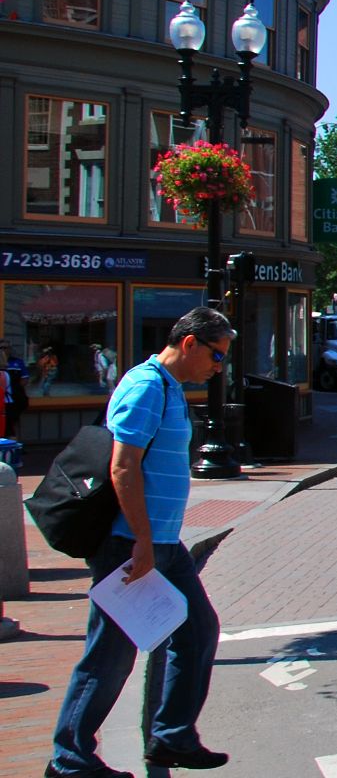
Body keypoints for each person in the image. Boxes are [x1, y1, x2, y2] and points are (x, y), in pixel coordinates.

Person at [47, 307, 233, 777]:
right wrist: (143, 543)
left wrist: (156, 540)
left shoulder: (169, 388)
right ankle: (69, 760)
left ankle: (172, 736)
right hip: (129, 544)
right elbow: (123, 465)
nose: (219, 367)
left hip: (161, 542)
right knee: (110, 654)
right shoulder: (147, 385)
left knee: (197, 630)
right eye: (216, 355)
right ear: (189, 343)